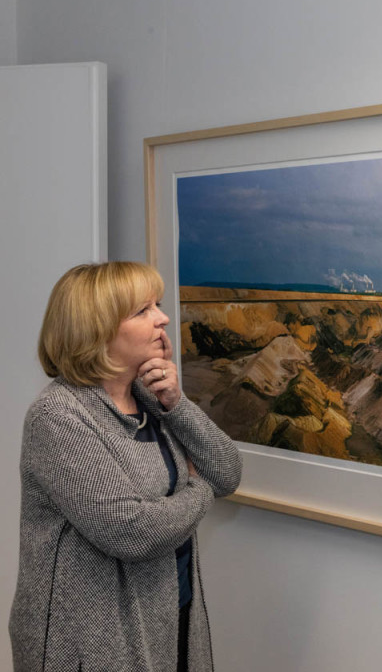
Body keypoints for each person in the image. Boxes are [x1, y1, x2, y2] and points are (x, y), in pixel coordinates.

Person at [8, 262, 242, 672]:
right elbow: (130, 531)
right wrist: (197, 487)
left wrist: (176, 402)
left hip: (170, 611)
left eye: (158, 305)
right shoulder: (58, 415)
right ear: (95, 331)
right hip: (92, 636)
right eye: (143, 310)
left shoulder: (149, 396)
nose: (163, 318)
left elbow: (227, 472)